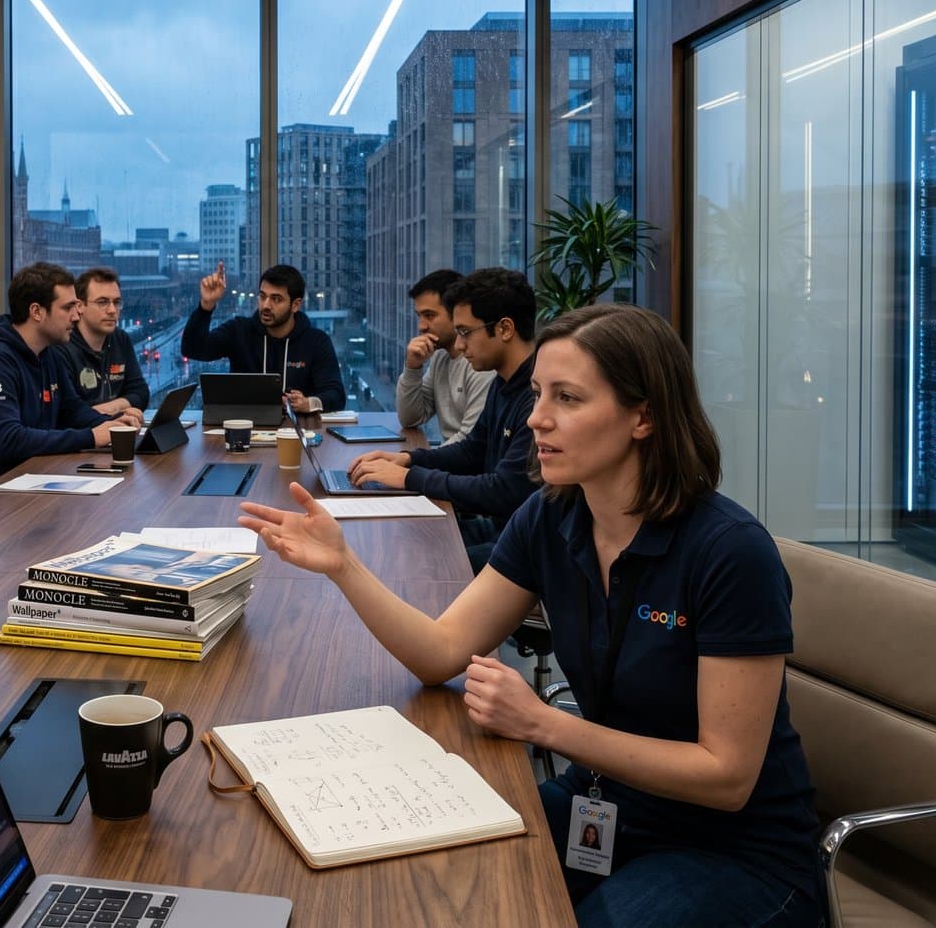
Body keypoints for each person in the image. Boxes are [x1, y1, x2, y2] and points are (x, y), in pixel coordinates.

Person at [238, 303, 822, 928]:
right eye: (540, 393)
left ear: (643, 417)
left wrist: (544, 725)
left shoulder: (729, 551)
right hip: (610, 803)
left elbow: (726, 776)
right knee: (437, 883)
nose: (537, 418)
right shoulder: (552, 517)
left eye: (567, 398)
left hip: (733, 851)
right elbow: (441, 653)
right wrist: (344, 568)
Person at [349, 267, 539, 570]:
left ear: (504, 329)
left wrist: (410, 478)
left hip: (526, 544)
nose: (460, 346)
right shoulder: (504, 383)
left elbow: (503, 491)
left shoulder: (536, 397)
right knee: (401, 543)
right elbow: (472, 450)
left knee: (417, 567)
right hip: (503, 529)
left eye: (465, 333)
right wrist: (409, 461)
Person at [0, 263, 142, 484]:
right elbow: (8, 440)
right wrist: (92, 436)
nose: (77, 316)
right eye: (68, 308)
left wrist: (115, 424)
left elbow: (73, 411)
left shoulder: (48, 354)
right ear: (37, 312)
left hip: (36, 474)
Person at [183, 260, 345, 414]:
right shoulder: (239, 330)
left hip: (295, 433)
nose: (266, 305)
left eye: (276, 299)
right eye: (262, 296)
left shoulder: (316, 341)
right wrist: (206, 306)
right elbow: (193, 349)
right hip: (246, 430)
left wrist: (308, 403)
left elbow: (336, 395)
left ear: (295, 305)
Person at [395, 268, 494, 445]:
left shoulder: (480, 362)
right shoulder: (440, 357)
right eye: (419, 316)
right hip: (449, 462)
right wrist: (412, 368)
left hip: (464, 466)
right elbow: (410, 418)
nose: (421, 326)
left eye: (429, 316)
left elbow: (470, 442)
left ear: (456, 312)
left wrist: (416, 464)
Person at [55, 266, 152, 417]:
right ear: (80, 306)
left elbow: (141, 393)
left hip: (116, 431)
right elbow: (71, 413)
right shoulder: (62, 347)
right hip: (85, 438)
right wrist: (123, 408)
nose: (112, 310)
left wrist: (112, 408)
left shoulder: (121, 339)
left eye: (117, 302)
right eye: (103, 302)